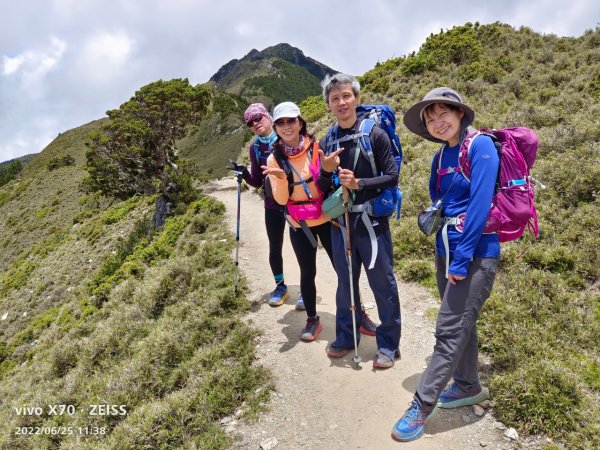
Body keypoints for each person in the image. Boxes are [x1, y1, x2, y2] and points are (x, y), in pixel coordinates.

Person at [391, 87, 499, 442]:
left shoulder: (480, 146)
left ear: (460, 113)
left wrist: (463, 257)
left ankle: (421, 405)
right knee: (461, 322)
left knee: (449, 330)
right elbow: (439, 202)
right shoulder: (441, 158)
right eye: (430, 118)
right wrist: (447, 251)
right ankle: (468, 385)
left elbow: (481, 206)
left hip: (475, 252)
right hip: (446, 251)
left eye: (444, 114)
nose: (438, 122)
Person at [317, 73, 401, 369]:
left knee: (382, 282)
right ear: (328, 104)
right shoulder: (328, 139)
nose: (341, 102)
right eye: (335, 98)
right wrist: (326, 171)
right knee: (345, 282)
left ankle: (389, 344)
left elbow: (392, 176)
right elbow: (323, 186)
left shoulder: (375, 133)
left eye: (346, 96)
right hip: (342, 224)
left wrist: (359, 183)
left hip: (371, 222)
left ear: (356, 99)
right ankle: (345, 336)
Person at [262, 102, 334, 341]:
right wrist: (281, 179)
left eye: (291, 121)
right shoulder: (275, 159)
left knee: (343, 270)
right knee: (308, 272)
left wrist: (327, 170)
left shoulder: (317, 148)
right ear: (275, 127)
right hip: (299, 224)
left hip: (327, 219)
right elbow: (281, 200)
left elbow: (327, 184)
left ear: (300, 122)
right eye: (280, 123)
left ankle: (358, 311)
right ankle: (313, 319)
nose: (287, 127)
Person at [241, 103, 304, 310]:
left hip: (293, 200)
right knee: (275, 246)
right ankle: (280, 286)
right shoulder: (255, 148)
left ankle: (306, 288)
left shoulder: (284, 138)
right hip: (271, 204)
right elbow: (258, 181)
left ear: (268, 117)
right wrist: (244, 175)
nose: (255, 123)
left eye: (258, 118)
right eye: (250, 122)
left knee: (302, 246)